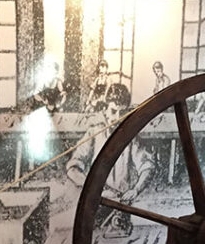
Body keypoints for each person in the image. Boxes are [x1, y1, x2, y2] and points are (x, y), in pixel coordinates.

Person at [63, 82, 153, 233]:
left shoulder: (130, 137)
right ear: (105, 109)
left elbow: (147, 166)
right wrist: (93, 187)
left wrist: (136, 190)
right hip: (94, 205)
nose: (117, 118)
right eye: (113, 111)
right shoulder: (94, 133)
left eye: (122, 113)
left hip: (120, 206)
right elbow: (73, 168)